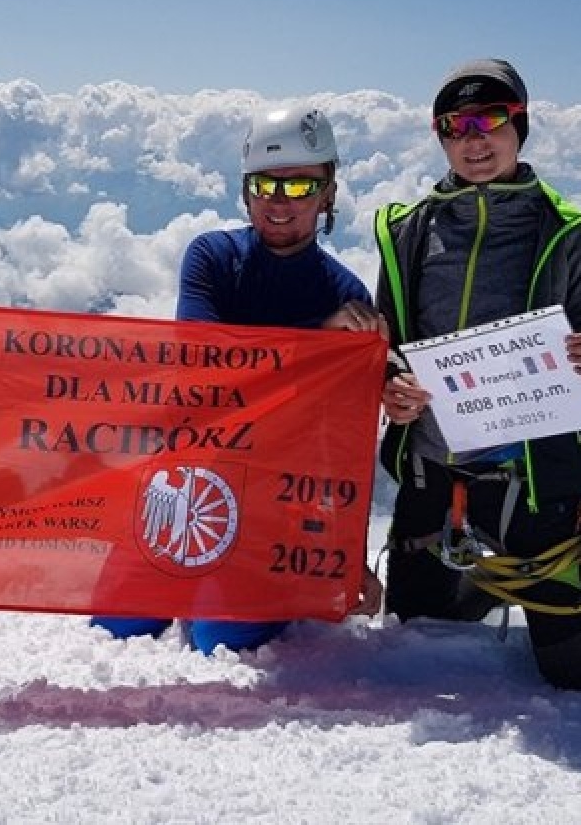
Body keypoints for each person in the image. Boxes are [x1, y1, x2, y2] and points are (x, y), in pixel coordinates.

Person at [373, 59, 581, 693]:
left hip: (538, 480)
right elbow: (385, 346)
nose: (474, 140)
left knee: (578, 674)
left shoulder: (566, 234)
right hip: (434, 478)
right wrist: (390, 382)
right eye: (456, 125)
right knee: (422, 645)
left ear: (519, 126)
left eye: (491, 121)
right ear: (440, 136)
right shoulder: (411, 232)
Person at [92, 105, 384, 653]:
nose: (279, 200)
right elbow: (203, 366)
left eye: (300, 185)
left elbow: (339, 445)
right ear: (246, 190)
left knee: (220, 639)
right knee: (119, 630)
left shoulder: (349, 297)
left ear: (328, 194)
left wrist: (345, 556)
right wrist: (319, 338)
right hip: (179, 487)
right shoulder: (212, 257)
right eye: (265, 183)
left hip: (272, 507)